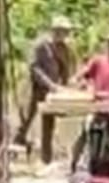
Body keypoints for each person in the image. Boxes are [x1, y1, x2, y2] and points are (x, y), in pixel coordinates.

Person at [16, 17, 76, 162]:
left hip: (51, 92)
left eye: (66, 31)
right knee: (26, 119)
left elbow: (65, 70)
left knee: (48, 123)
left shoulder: (64, 48)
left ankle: (46, 158)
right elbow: (34, 67)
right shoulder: (41, 45)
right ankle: (16, 147)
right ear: (55, 30)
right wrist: (49, 84)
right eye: (62, 31)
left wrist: (65, 87)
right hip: (34, 88)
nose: (64, 34)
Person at [71, 34, 109, 174]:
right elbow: (81, 77)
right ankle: (75, 162)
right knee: (86, 127)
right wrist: (84, 85)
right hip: (97, 104)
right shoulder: (98, 61)